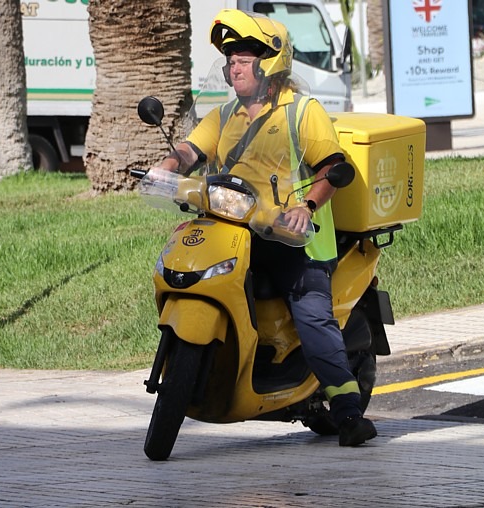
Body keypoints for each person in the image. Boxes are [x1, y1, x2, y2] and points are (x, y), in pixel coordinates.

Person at [152, 9, 377, 446]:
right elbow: (189, 150)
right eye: (230, 57)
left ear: (269, 62)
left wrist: (306, 207)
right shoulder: (224, 115)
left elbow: (333, 167)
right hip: (234, 230)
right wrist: (166, 166)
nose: (233, 64)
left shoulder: (302, 112)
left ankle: (349, 412)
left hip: (294, 240)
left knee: (311, 314)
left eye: (243, 57)